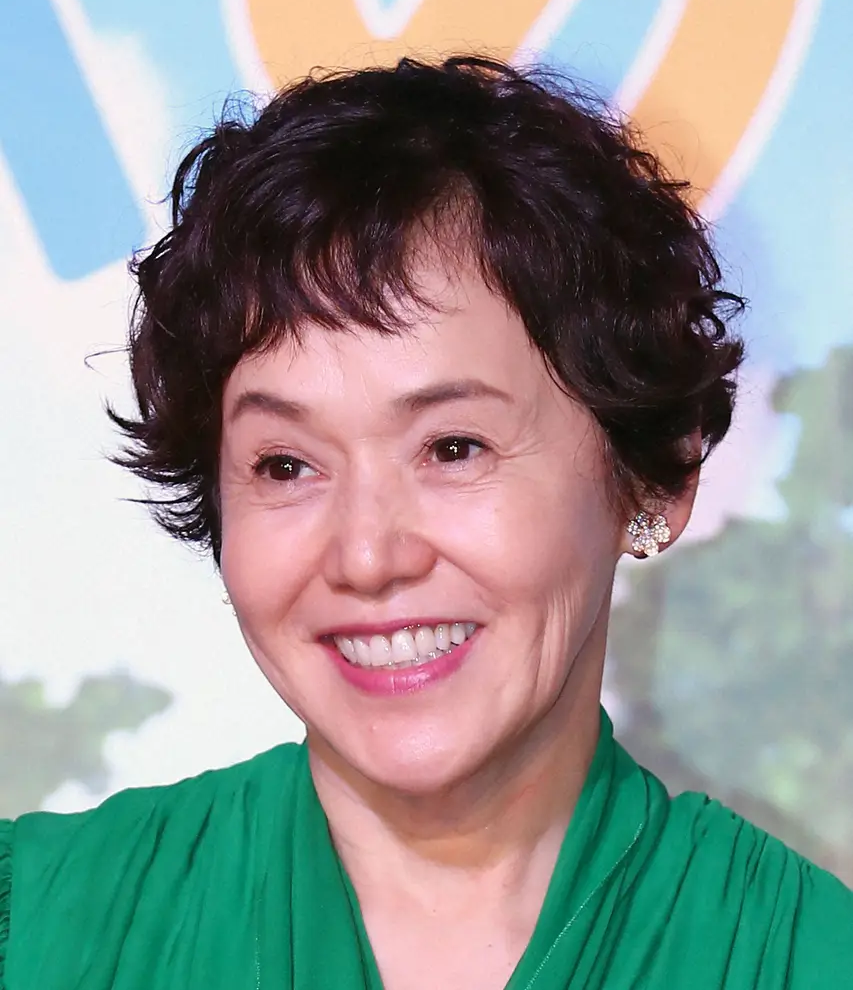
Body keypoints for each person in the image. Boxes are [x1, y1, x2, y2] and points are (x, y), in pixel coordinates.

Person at [1, 55, 850, 990]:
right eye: (285, 464)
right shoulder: (32, 926)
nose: (367, 556)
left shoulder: (806, 959)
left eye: (453, 448)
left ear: (652, 477)